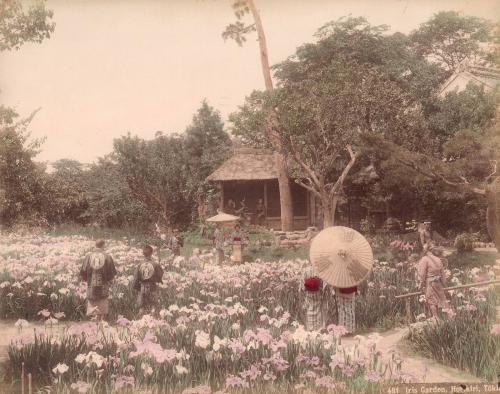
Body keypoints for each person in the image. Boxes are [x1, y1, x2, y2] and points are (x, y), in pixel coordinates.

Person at [80, 239, 117, 322]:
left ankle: (93, 321)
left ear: (95, 245)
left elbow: (83, 272)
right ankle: (102, 321)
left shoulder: (88, 256)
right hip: (103, 285)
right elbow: (111, 273)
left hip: (91, 285)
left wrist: (88, 280)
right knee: (102, 302)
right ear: (103, 245)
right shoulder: (107, 256)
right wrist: (109, 280)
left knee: (92, 303)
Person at [417, 242, 449, 318]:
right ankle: (447, 317)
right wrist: (445, 285)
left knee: (432, 301)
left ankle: (435, 318)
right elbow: (443, 275)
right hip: (438, 283)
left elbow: (422, 274)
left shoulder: (425, 259)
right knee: (442, 300)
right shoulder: (438, 259)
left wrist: (421, 284)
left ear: (426, 250)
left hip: (430, 283)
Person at [132, 244, 164, 316]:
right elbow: (160, 274)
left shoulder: (140, 264)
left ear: (143, 254)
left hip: (142, 287)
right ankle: (153, 319)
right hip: (152, 286)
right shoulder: (155, 264)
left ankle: (140, 321)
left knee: (142, 306)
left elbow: (136, 277)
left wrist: (136, 287)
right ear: (151, 253)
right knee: (153, 305)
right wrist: (158, 280)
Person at [301, 265, 325, 331]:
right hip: (318, 292)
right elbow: (323, 284)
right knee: (318, 309)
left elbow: (302, 285)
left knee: (309, 308)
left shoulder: (305, 270)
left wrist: (306, 288)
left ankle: (310, 328)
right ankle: (318, 328)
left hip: (309, 292)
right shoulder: (320, 269)